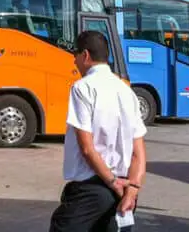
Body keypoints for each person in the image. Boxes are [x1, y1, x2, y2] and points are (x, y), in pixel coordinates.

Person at [50, 30, 146, 232]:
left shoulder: (82, 88)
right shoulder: (127, 92)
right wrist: (132, 189)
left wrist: (112, 182)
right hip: (123, 194)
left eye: (75, 56)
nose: (74, 62)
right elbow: (138, 153)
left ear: (85, 55)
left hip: (92, 189)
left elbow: (87, 148)